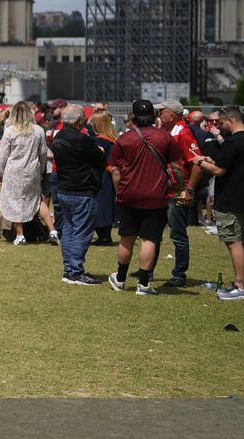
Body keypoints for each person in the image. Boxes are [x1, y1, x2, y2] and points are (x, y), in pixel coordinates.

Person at [107, 99, 184, 295]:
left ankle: (121, 278)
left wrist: (118, 192)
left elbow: (115, 170)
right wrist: (181, 187)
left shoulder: (124, 139)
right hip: (156, 196)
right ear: (154, 116)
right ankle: (144, 283)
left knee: (127, 238)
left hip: (128, 194)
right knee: (150, 239)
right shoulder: (165, 138)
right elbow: (177, 167)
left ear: (133, 117)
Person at [51, 105, 106, 285]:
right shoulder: (81, 138)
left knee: (68, 230)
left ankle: (69, 269)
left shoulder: (58, 137)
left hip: (64, 189)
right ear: (78, 120)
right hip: (82, 190)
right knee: (81, 232)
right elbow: (99, 157)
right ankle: (75, 271)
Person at [195, 106, 244, 299]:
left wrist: (199, 161)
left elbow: (218, 171)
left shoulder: (232, 142)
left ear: (231, 120)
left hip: (230, 199)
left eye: (221, 122)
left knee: (234, 243)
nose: (220, 126)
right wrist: (211, 161)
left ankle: (240, 286)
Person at [156, 100, 202, 288]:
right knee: (156, 231)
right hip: (165, 190)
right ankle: (148, 269)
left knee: (177, 233)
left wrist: (188, 189)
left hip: (176, 192)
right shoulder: (169, 132)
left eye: (162, 111)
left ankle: (179, 273)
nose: (158, 114)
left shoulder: (183, 132)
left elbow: (196, 163)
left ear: (172, 115)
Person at [0, 101, 49, 245]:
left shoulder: (10, 131)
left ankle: (20, 235)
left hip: (14, 171)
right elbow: (43, 153)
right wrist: (42, 169)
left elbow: (3, 154)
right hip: (32, 170)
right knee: (37, 200)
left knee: (15, 201)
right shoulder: (38, 131)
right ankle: (53, 230)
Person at [89, 110, 118, 245]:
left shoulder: (100, 139)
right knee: (107, 204)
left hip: (102, 175)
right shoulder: (112, 138)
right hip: (110, 175)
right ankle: (105, 236)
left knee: (101, 206)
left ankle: (104, 237)